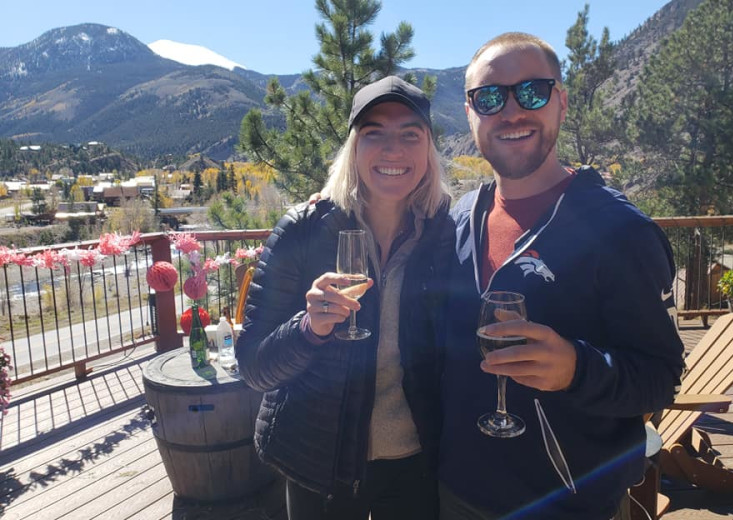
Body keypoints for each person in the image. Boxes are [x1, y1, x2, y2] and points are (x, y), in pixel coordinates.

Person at [438, 32, 685, 520]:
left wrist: (577, 368)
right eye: (489, 97)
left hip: (571, 502)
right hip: (458, 493)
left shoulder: (621, 232)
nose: (511, 111)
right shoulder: (459, 218)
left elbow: (661, 377)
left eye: (531, 91)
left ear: (561, 102)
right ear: (470, 115)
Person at [236, 75, 453, 520]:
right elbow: (254, 366)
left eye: (410, 135)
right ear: (353, 147)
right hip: (320, 459)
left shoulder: (442, 234)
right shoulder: (304, 230)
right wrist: (309, 328)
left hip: (414, 459)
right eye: (375, 134)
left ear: (428, 150)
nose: (393, 150)